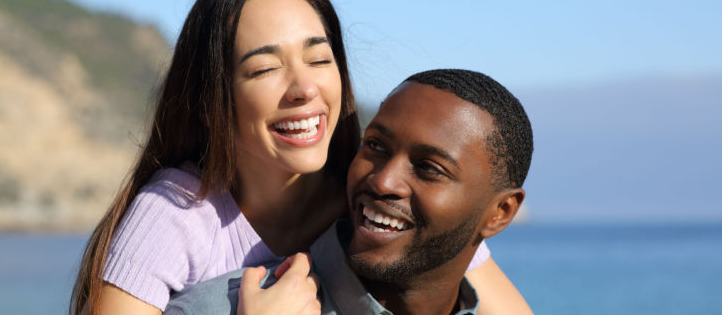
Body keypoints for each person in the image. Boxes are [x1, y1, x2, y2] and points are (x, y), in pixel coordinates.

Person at [70, 0, 530, 314]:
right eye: (265, 68)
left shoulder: (377, 191)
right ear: (213, 97)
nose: (304, 89)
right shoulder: (177, 212)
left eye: (319, 59)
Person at [163, 69, 534, 315]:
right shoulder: (225, 307)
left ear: (499, 212)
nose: (383, 181)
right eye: (375, 146)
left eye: (428, 168)